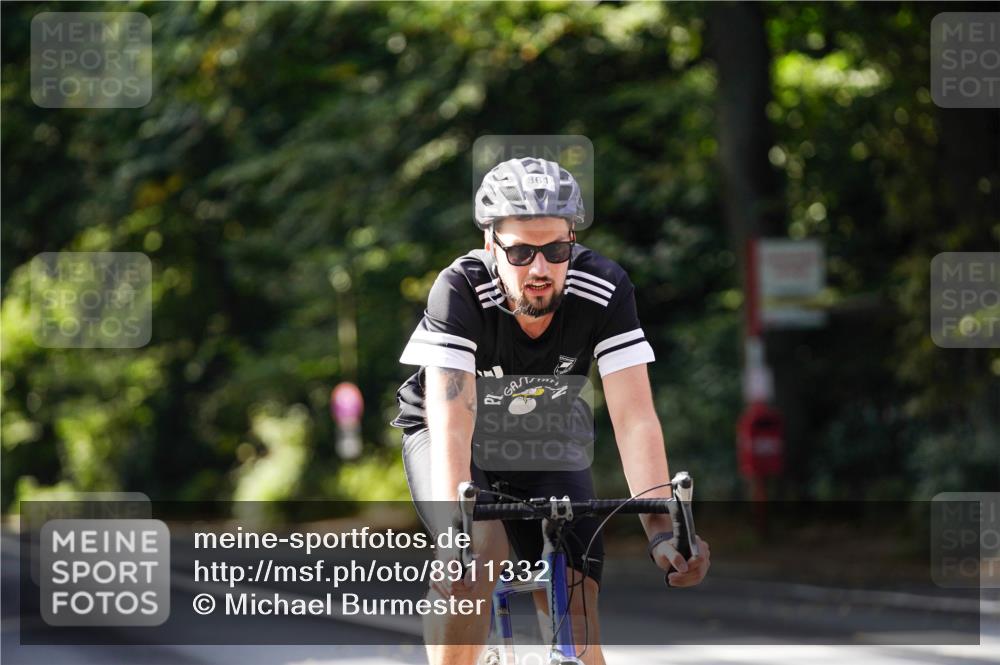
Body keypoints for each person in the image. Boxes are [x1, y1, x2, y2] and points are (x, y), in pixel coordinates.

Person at [391, 156, 710, 665]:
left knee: (577, 599)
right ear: (492, 245)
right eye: (520, 252)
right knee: (479, 555)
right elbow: (453, 423)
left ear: (572, 243)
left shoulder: (603, 288)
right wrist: (457, 533)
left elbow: (634, 418)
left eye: (556, 249)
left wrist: (662, 532)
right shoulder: (459, 290)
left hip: (539, 434)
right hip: (449, 433)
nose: (539, 269)